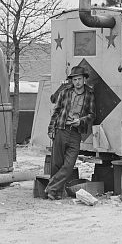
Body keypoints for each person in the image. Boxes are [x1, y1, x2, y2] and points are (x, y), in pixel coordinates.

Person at [45, 66, 96, 200]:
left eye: (79, 79)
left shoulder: (89, 95)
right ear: (72, 81)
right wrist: (51, 128)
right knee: (56, 164)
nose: (77, 82)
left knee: (69, 165)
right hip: (61, 129)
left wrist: (81, 121)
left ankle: (50, 187)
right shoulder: (65, 92)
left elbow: (92, 115)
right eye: (74, 79)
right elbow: (56, 111)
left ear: (84, 79)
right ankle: (55, 193)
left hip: (76, 133)